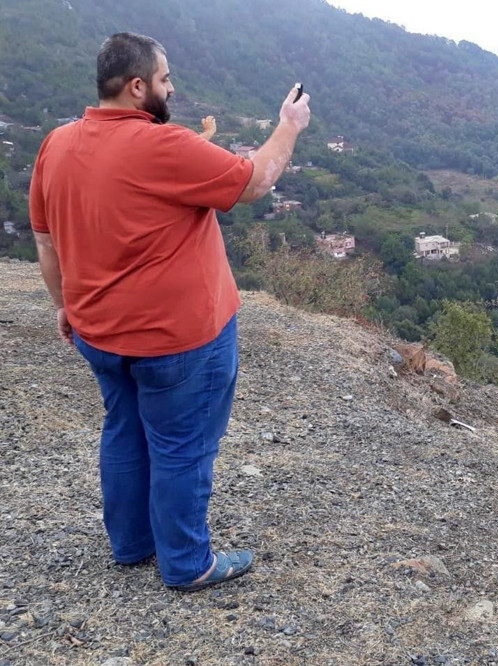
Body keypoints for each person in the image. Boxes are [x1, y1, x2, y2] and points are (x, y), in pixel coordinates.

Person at [28, 32, 310, 591]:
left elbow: (45, 241)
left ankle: (132, 545)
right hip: (180, 340)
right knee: (183, 447)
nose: (171, 87)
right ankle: (187, 562)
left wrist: (64, 306)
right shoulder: (163, 144)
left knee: (125, 432)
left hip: (98, 333)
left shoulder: (56, 144)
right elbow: (255, 181)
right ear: (137, 87)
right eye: (164, 78)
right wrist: (289, 125)